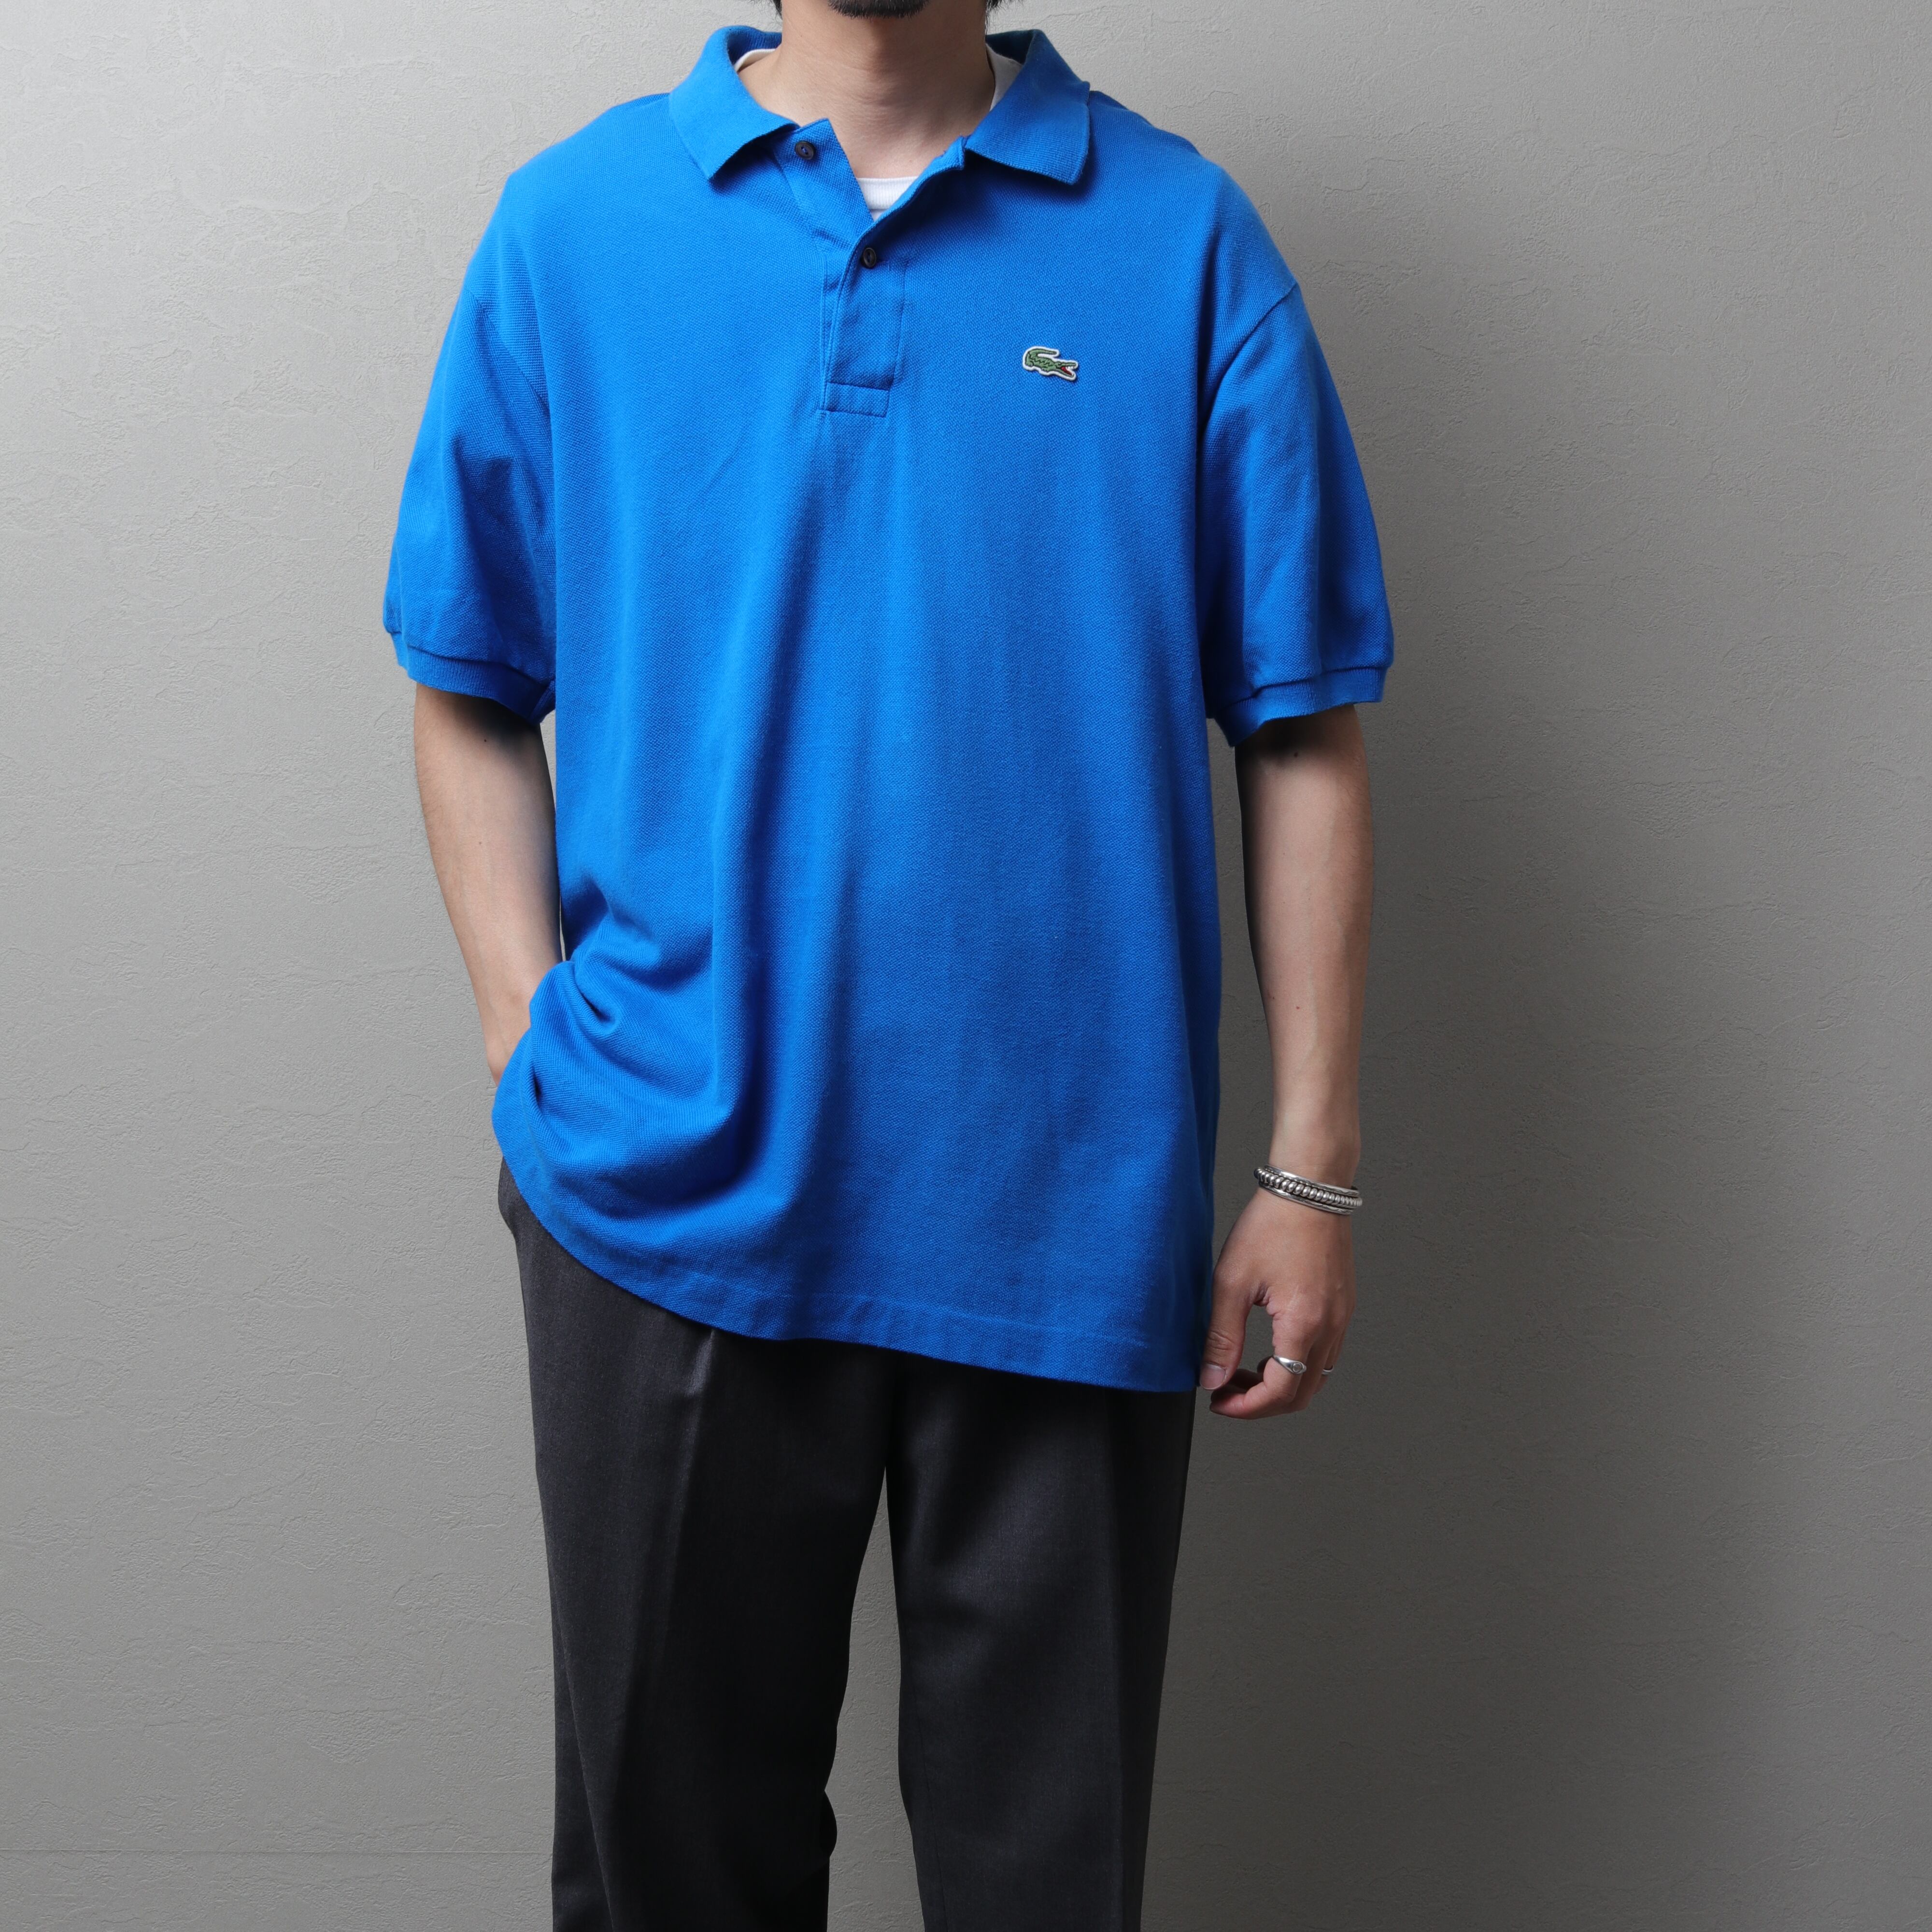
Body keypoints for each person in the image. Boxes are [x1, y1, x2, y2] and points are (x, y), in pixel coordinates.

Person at [382, 0, 1392, 1924]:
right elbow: (465, 677)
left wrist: (1309, 1165)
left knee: (1044, 1880)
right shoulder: (575, 226)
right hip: (662, 1197)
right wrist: (534, 1039)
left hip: (1068, 1197)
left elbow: (1303, 723)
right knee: (673, 1879)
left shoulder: (1180, 237)